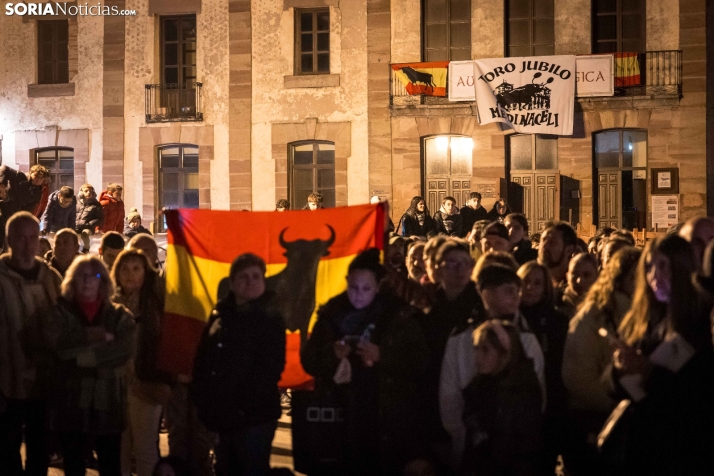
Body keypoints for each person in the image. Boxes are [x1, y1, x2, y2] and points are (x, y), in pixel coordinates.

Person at [301, 249, 429, 474]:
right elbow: (310, 361)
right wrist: (332, 354)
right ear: (346, 282)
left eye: (366, 289)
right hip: (341, 418)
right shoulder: (332, 315)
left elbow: (419, 361)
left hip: (384, 420)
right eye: (353, 287)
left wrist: (383, 355)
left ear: (379, 287)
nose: (358, 295)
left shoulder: (399, 316)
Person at [606, 235, 714, 475]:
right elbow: (611, 388)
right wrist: (619, 369)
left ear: (682, 266)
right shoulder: (643, 320)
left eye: (663, 265)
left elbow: (698, 397)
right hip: (642, 448)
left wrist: (650, 373)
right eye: (649, 266)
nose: (654, 275)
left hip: (682, 451)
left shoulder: (700, 324)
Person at [439, 264, 544, 470]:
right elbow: (449, 396)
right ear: (486, 294)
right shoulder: (461, 338)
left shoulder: (526, 339)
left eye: (517, 291)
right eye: (508, 291)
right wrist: (464, 438)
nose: (516, 297)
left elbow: (538, 393)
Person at [192, 253, 286, 476]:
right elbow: (203, 360)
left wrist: (240, 408)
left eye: (256, 276)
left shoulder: (270, 318)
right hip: (222, 416)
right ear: (232, 283)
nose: (250, 281)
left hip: (254, 418)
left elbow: (270, 368)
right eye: (243, 277)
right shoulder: (219, 316)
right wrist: (203, 401)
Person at [46, 255, 135, 476]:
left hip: (108, 405)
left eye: (94, 276)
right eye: (81, 276)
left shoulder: (119, 316)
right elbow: (57, 347)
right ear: (72, 281)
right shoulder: (59, 313)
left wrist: (79, 358)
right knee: (74, 465)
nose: (87, 281)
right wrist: (91, 336)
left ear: (103, 281)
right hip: (71, 404)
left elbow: (122, 351)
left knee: (110, 465)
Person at [561, 246, 641, 476]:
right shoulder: (596, 314)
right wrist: (614, 405)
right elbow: (578, 375)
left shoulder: (641, 311)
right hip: (595, 419)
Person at [0, 212, 62, 475]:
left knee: (39, 450)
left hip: (43, 381)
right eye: (21, 238)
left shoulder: (51, 278)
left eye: (33, 238)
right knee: (6, 449)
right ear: (9, 240)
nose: (28, 245)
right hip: (5, 380)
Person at [113, 249, 172, 476]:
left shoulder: (155, 304)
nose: (130, 274)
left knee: (145, 448)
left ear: (146, 272)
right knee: (120, 447)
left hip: (145, 383)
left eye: (136, 268)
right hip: (117, 385)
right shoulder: (111, 303)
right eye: (125, 269)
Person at [461, 320, 543, 476]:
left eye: (485, 350)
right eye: (476, 348)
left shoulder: (523, 391)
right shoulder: (477, 389)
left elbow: (527, 449)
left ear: (505, 354)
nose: (477, 356)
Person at [516, 261, 570, 475]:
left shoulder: (557, 320)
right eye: (526, 281)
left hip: (550, 403)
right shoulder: (512, 319)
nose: (530, 287)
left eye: (537, 283)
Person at [538, 221, 577, 294]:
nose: (544, 246)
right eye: (543, 240)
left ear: (568, 250)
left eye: (552, 242)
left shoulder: (577, 284)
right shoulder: (532, 280)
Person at [560, 252, 599, 318]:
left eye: (586, 275)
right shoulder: (556, 304)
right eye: (575, 274)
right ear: (567, 276)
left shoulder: (604, 307)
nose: (579, 280)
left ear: (597, 277)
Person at [75, 184, 104, 251]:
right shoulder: (77, 204)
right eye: (86, 191)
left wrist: (89, 224)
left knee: (85, 234)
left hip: (88, 227)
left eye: (90, 191)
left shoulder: (96, 204)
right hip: (76, 226)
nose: (89, 193)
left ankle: (86, 249)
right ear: (81, 193)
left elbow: (100, 219)